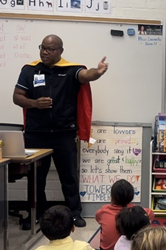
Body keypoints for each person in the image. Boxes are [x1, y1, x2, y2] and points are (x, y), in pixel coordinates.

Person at [13, 34, 108, 230]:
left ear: (60, 51)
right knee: (37, 178)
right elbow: (17, 97)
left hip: (64, 134)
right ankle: (37, 214)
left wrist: (97, 73)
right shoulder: (29, 70)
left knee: (69, 176)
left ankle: (74, 213)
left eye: (50, 49)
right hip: (36, 134)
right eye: (43, 47)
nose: (45, 52)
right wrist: (34, 104)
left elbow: (86, 75)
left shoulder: (71, 70)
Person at [95, 179, 155, 250]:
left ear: (111, 197)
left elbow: (97, 217)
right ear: (131, 197)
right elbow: (151, 214)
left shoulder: (103, 212)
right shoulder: (139, 212)